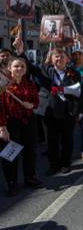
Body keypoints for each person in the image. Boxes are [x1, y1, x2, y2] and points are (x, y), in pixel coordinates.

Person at [29, 48, 82, 175]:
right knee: (51, 141)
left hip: (67, 112)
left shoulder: (74, 73)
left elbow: (79, 94)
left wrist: (76, 112)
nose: (59, 59)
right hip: (50, 112)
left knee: (67, 140)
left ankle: (65, 164)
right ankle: (54, 165)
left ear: (67, 59)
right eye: (56, 57)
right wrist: (20, 52)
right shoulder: (46, 71)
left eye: (62, 57)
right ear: (51, 59)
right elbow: (31, 68)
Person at [0, 57, 42, 196]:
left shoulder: (30, 84)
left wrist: (31, 105)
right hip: (10, 122)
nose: (19, 69)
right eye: (16, 66)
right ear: (10, 69)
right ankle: (12, 183)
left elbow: (36, 100)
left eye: (22, 66)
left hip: (28, 121)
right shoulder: (4, 86)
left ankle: (29, 177)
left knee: (30, 151)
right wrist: (2, 127)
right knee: (11, 153)